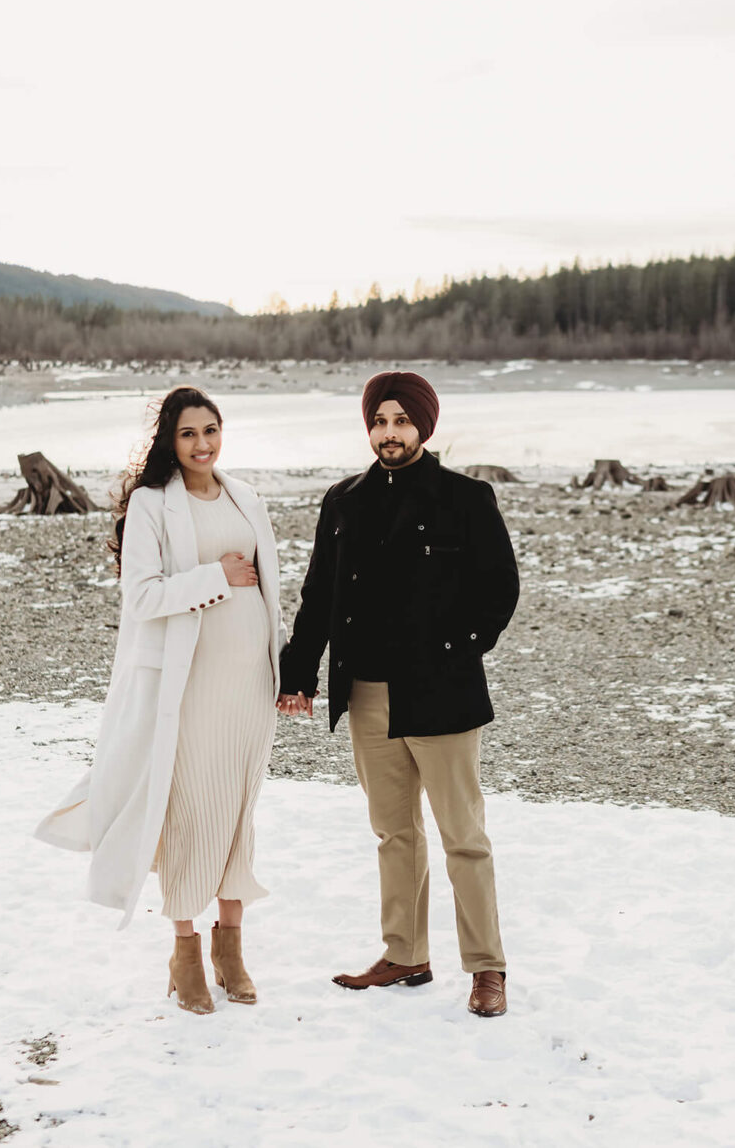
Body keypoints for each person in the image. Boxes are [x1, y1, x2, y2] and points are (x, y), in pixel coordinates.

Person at [277, 370, 520, 1017]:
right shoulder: (343, 500)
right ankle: (405, 950)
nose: (390, 432)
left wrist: (458, 648)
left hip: (441, 691)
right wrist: (298, 672)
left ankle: (487, 966)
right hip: (366, 692)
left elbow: (500, 590)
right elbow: (318, 595)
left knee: (462, 834)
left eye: (402, 421)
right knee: (394, 832)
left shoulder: (466, 497)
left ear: (423, 426)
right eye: (380, 421)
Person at [37, 386, 285, 1015]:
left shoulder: (247, 498)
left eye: (212, 430)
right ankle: (186, 951)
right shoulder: (150, 506)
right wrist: (215, 578)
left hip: (249, 685)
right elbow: (142, 597)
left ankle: (232, 949)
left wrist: (286, 670)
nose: (203, 444)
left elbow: (271, 591)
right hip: (189, 683)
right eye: (189, 434)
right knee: (189, 813)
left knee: (237, 813)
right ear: (169, 442)